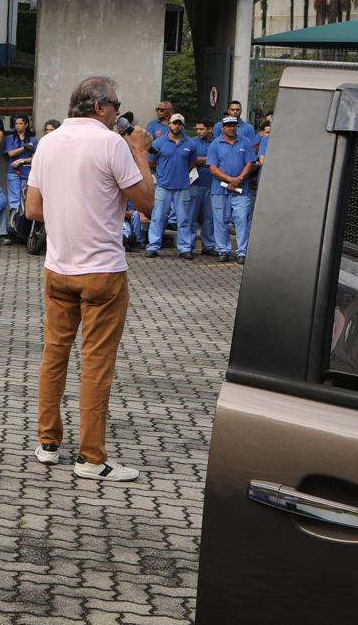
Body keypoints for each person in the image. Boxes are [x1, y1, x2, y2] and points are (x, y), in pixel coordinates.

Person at [25, 75, 153, 482]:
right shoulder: (111, 142)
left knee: (54, 355)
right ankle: (92, 458)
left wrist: (72, 210)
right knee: (96, 364)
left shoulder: (48, 142)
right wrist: (139, 152)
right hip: (102, 272)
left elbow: (33, 209)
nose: (118, 111)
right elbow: (146, 200)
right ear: (99, 107)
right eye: (115, 104)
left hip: (58, 268)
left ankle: (48, 442)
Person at [146, 115, 204, 259]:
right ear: (169, 125)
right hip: (163, 186)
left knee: (183, 219)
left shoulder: (190, 144)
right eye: (174, 123)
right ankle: (153, 246)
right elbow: (151, 162)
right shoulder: (158, 142)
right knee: (158, 217)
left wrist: (182, 173)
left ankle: (185, 248)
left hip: (182, 186)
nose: (176, 126)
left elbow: (191, 163)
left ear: (183, 126)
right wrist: (162, 172)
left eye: (179, 124)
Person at [206, 116, 258, 264]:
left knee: (241, 219)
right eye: (228, 125)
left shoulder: (245, 142)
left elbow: (250, 163)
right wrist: (231, 180)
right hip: (220, 189)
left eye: (234, 125)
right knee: (220, 221)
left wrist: (239, 179)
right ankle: (223, 250)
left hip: (241, 190)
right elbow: (213, 169)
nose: (231, 128)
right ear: (222, 127)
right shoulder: (216, 144)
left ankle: (242, 252)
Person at [3, 115, 37, 221]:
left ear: (26, 124)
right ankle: (14, 219)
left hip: (27, 171)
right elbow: (11, 153)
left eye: (20, 123)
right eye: (16, 124)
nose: (18, 126)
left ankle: (24, 220)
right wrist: (25, 148)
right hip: (13, 171)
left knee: (26, 197)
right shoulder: (10, 139)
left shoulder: (33, 140)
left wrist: (21, 160)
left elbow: (35, 158)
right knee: (14, 198)